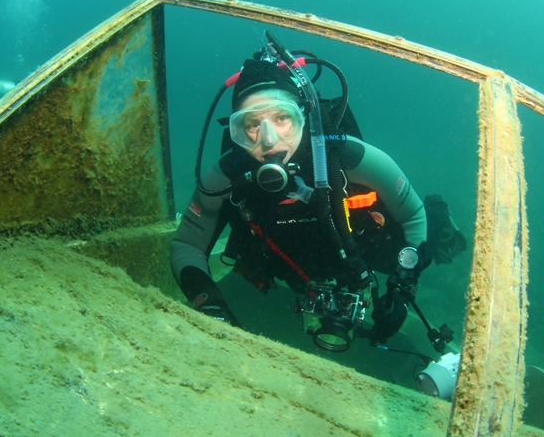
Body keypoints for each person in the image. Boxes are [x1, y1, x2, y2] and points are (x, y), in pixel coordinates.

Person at [171, 35, 465, 351]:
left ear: (303, 116)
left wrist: (403, 292)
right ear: (236, 132)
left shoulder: (350, 157)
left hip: (361, 248)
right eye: (252, 125)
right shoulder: (224, 176)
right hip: (289, 266)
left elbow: (412, 214)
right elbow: (187, 244)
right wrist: (210, 304)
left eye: (282, 118)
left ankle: (440, 208)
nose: (269, 141)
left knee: (424, 243)